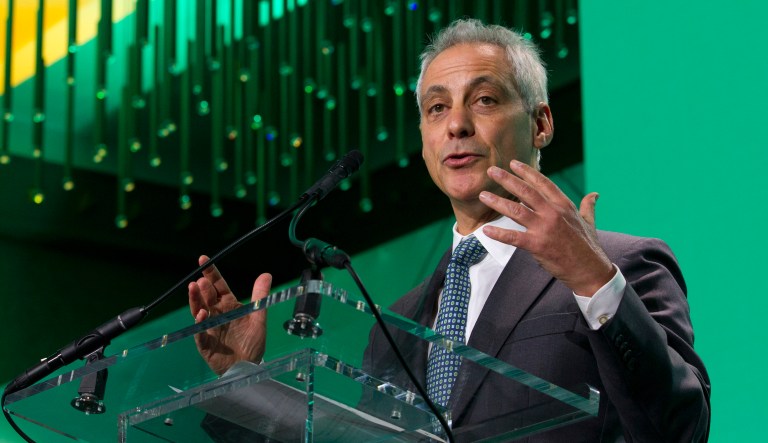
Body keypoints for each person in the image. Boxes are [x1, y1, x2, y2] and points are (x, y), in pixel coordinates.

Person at [189, 18, 710, 442]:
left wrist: (594, 280)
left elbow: (679, 429)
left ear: (541, 124)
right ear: (423, 138)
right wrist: (244, 383)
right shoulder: (393, 325)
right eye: (437, 108)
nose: (456, 125)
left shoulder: (625, 262)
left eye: (484, 100)